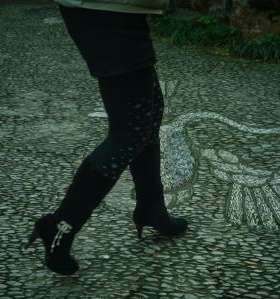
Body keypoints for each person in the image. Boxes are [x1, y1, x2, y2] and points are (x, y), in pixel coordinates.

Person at [25, 0, 187, 275]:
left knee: (148, 114)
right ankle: (61, 225)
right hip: (106, 10)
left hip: (118, 9)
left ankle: (151, 208)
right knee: (129, 133)